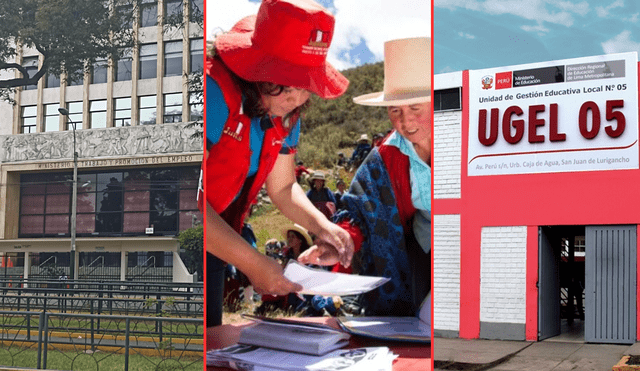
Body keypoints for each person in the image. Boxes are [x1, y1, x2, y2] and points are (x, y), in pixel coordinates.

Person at [204, 0, 354, 327]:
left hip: (214, 244)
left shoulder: (286, 114)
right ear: (255, 67)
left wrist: (322, 227)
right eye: (286, 84)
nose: (295, 100)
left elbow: (284, 186)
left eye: (306, 87)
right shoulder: (211, 91)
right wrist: (254, 264)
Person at [299, 37, 431, 318]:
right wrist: (340, 243)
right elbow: (359, 211)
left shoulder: (469, 142)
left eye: (416, 108)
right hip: (421, 252)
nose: (405, 121)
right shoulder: (384, 157)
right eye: (395, 110)